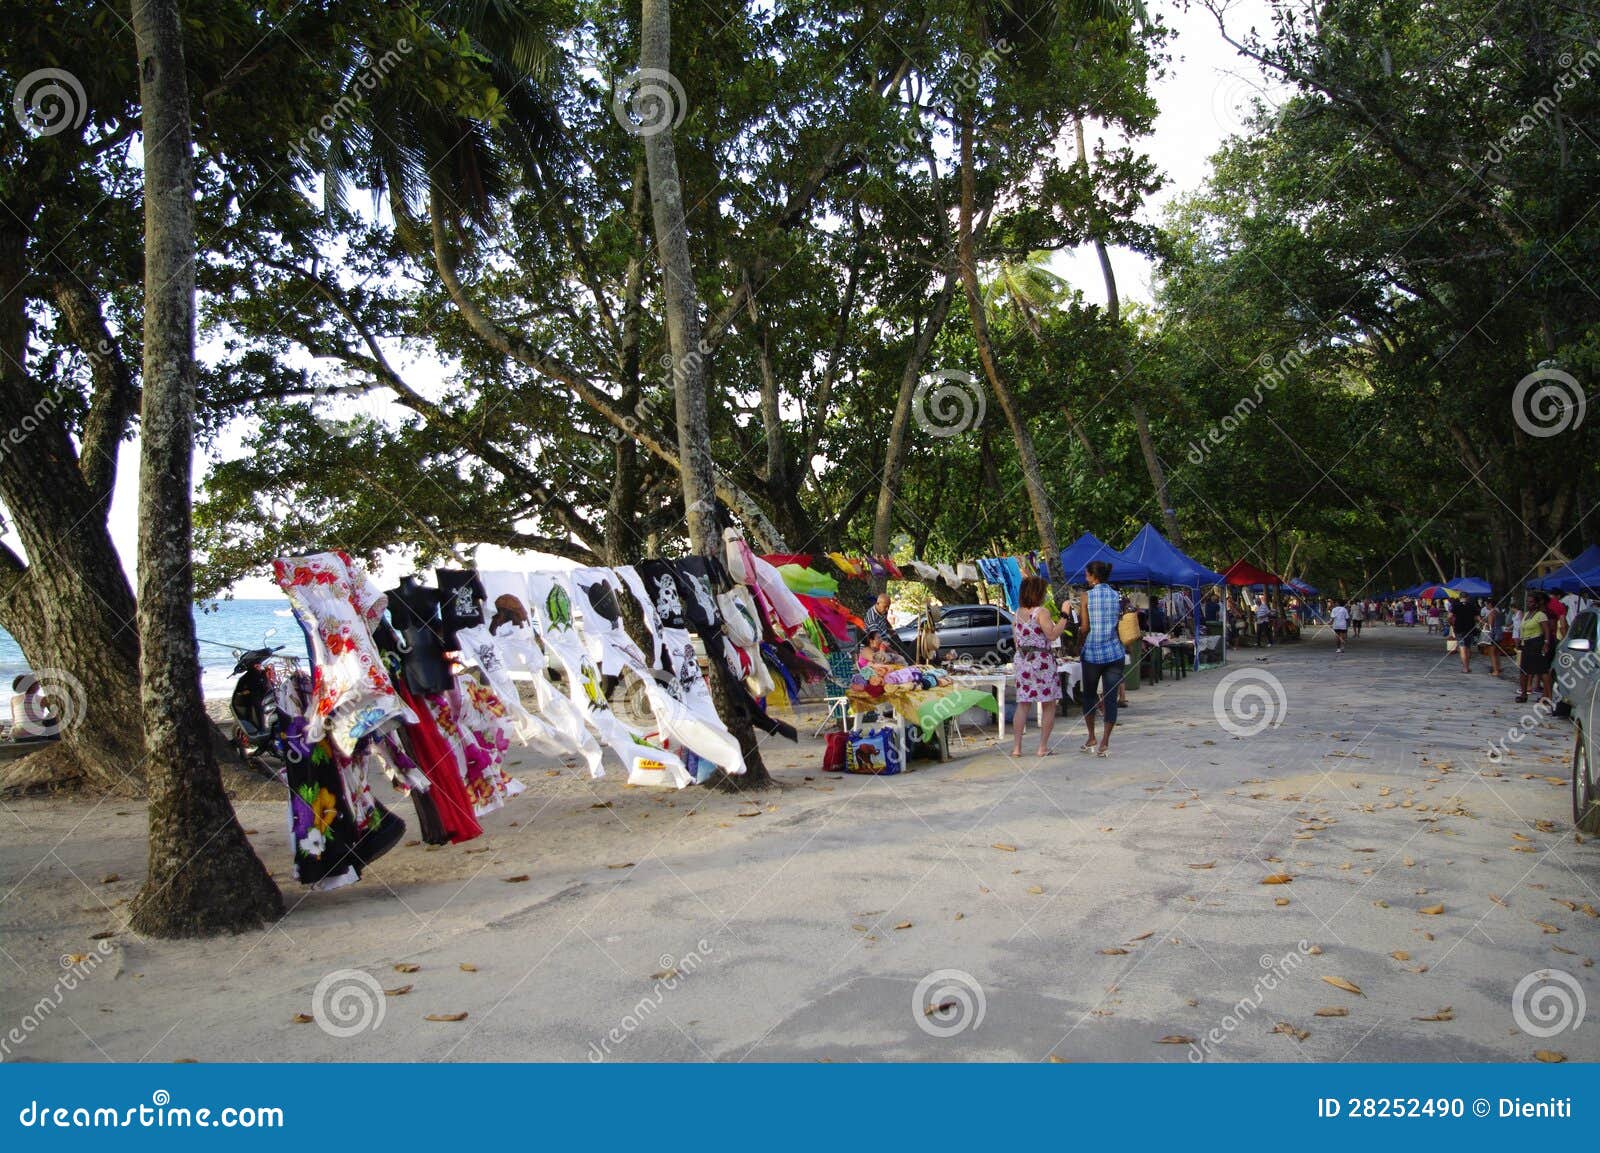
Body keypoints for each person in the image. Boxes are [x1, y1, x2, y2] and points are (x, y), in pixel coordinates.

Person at [1010, 576, 1066, 758]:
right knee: (1049, 703)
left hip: (1023, 659)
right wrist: (1064, 616)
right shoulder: (1042, 612)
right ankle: (1042, 747)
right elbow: (1051, 635)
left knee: (1023, 704)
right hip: (1041, 660)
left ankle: (1016, 748)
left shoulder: (1017, 613)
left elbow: (1016, 641)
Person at [1077, 561, 1126, 758]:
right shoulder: (1116, 595)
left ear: (1091, 576)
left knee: (1089, 696)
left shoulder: (1086, 596)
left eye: (1086, 574)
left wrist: (1080, 638)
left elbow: (1085, 627)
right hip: (1115, 652)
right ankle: (1105, 741)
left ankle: (1091, 737)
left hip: (1092, 654)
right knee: (1110, 698)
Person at [1516, 591, 1556, 705]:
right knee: (1524, 670)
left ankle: (1548, 696)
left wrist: (1546, 643)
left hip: (1537, 643)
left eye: (1531, 602)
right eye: (1528, 602)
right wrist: (1520, 640)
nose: (1529, 604)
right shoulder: (1526, 614)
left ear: (1537, 603)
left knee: (1542, 670)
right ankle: (1523, 694)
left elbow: (1547, 630)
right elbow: (1522, 628)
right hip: (1526, 644)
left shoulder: (1541, 615)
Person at [9, 674, 59, 742]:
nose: (39, 685)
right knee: (54, 716)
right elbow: (55, 715)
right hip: (37, 736)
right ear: (33, 686)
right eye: (37, 683)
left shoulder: (13, 699)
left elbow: (14, 720)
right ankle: (55, 739)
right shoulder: (43, 699)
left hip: (18, 737)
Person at [1450, 593, 1480, 673]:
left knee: (1462, 648)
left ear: (1460, 598)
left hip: (1459, 629)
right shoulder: (1472, 605)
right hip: (1470, 628)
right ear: (1467, 597)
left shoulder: (1455, 605)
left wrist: (1452, 624)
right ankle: (1467, 666)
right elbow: (1477, 618)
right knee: (1468, 647)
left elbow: (1450, 616)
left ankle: (1465, 667)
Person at [1480, 598, 1503, 678]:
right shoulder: (1498, 612)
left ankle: (1495, 670)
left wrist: (1481, 621)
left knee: (1492, 653)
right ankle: (1498, 668)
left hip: (1493, 634)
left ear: (1490, 604)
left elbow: (1490, 626)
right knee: (1497, 652)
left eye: (1486, 604)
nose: (1485, 606)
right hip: (1500, 632)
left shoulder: (1491, 613)